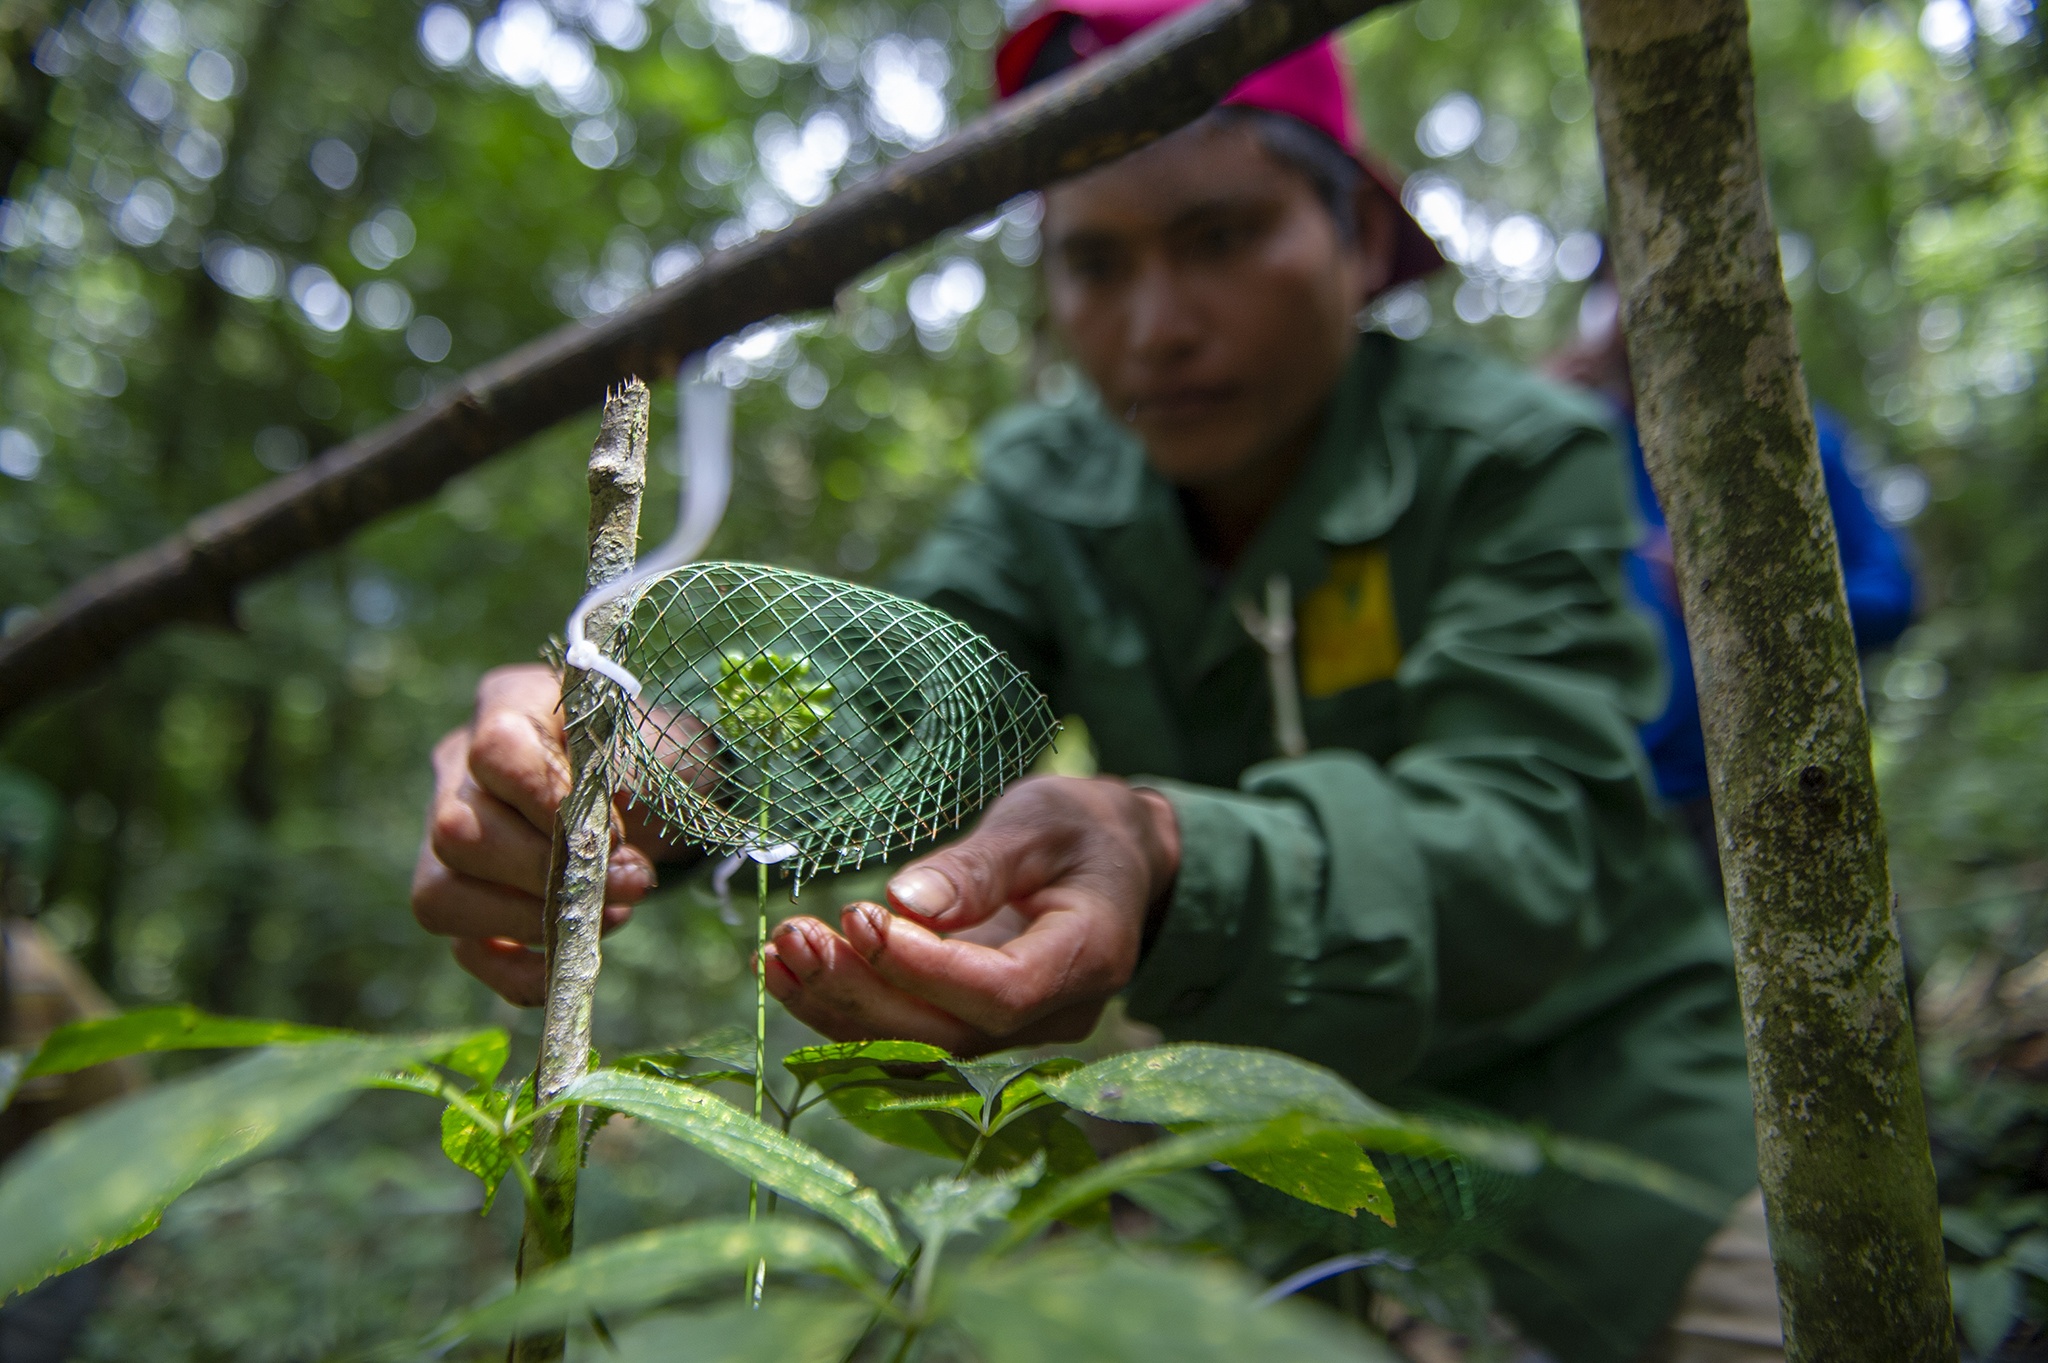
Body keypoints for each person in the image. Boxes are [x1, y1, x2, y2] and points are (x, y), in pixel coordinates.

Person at [411, 6, 1768, 1359]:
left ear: (1356, 236)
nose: (1159, 325)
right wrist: (648, 758)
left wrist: (1164, 854)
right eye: (1096, 262)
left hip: (1614, 1139)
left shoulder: (1513, 457)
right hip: (1257, 1179)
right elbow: (885, 686)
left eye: (1223, 237)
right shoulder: (1049, 493)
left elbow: (1530, 839)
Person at [1547, 278, 1916, 895]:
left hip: (1797, 782)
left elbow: (1893, 596)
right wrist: (1531, 415)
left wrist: (1752, 609)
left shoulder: (1793, 434)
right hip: (1636, 820)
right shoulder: (1576, 451)